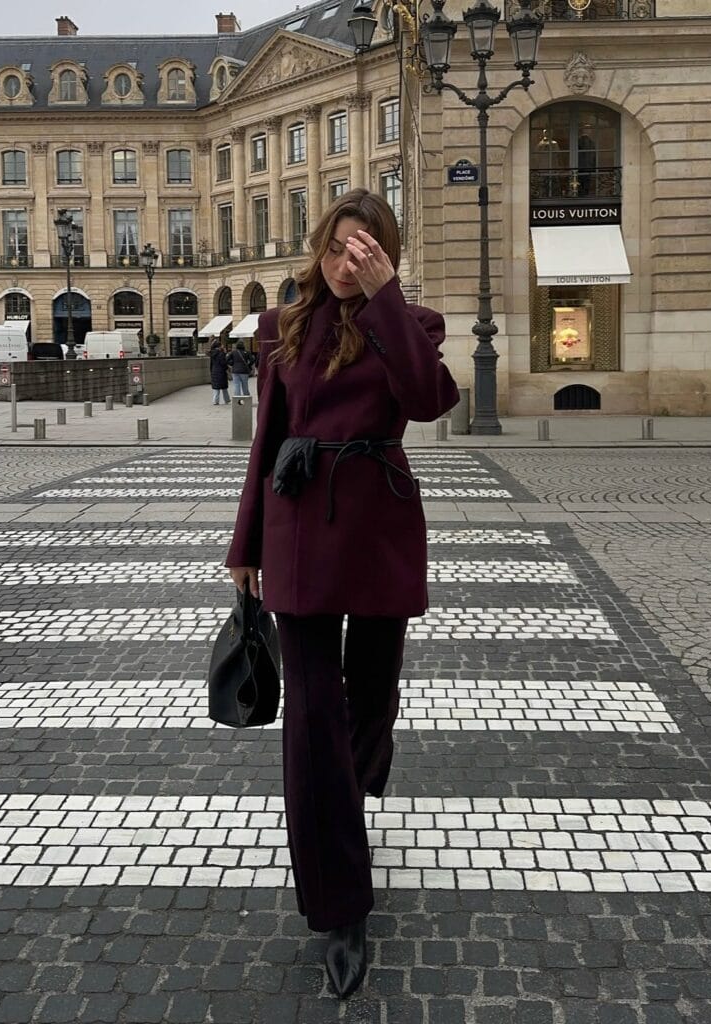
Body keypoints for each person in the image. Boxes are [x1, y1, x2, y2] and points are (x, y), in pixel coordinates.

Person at [225, 188, 459, 1000]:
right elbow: (265, 443)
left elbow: (428, 403)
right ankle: (340, 903)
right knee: (313, 717)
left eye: (363, 249)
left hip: (380, 522)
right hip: (296, 525)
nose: (345, 261)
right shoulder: (280, 329)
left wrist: (387, 294)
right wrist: (243, 545)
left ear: (385, 255)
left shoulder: (413, 325)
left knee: (373, 701)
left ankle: (349, 789)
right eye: (335, 247)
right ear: (317, 250)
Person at [209, 339, 230, 405]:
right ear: (219, 346)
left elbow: (211, 364)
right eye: (222, 345)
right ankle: (226, 399)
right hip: (221, 371)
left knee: (216, 387)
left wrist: (211, 371)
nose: (223, 346)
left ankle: (215, 401)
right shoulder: (221, 353)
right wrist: (227, 368)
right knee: (224, 387)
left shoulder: (212, 353)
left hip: (214, 371)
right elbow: (223, 363)